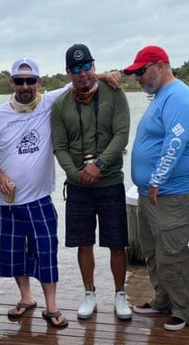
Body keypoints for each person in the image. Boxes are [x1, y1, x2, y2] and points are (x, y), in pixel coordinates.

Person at [0, 57, 121, 329]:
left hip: (39, 198)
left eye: (31, 80)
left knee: (46, 253)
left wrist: (107, 75)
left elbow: (81, 79)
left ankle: (51, 305)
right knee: (14, 254)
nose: (26, 86)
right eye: (20, 81)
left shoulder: (50, 102)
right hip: (7, 199)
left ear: (40, 82)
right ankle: (26, 297)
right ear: (11, 82)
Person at [124, 45, 189, 331]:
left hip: (175, 191)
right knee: (153, 250)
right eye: (135, 75)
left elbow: (176, 140)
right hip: (152, 193)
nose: (139, 79)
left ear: (160, 65)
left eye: (142, 72)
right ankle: (163, 299)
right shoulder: (160, 96)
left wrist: (157, 178)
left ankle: (183, 310)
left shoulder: (178, 95)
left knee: (172, 252)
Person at [51, 43, 132, 322]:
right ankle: (89, 293)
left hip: (110, 181)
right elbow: (59, 146)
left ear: (94, 67)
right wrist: (76, 174)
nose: (82, 73)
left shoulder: (115, 94)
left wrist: (98, 165)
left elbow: (121, 134)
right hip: (78, 186)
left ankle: (120, 294)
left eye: (86, 66)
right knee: (83, 243)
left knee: (117, 243)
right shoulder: (61, 104)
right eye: (75, 69)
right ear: (68, 72)